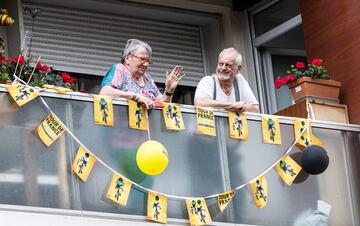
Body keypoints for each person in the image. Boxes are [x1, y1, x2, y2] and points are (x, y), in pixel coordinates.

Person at [99, 39, 184, 109]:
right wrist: (135, 97)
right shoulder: (120, 69)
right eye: (142, 59)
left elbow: (161, 105)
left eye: (148, 61)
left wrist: (169, 91)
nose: (146, 64)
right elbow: (105, 92)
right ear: (127, 58)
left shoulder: (147, 78)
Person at [194, 48, 259, 113]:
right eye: (221, 64)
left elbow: (255, 108)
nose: (223, 68)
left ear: (238, 69)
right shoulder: (208, 81)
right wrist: (230, 105)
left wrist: (240, 107)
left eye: (228, 65)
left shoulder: (239, 80)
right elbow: (199, 103)